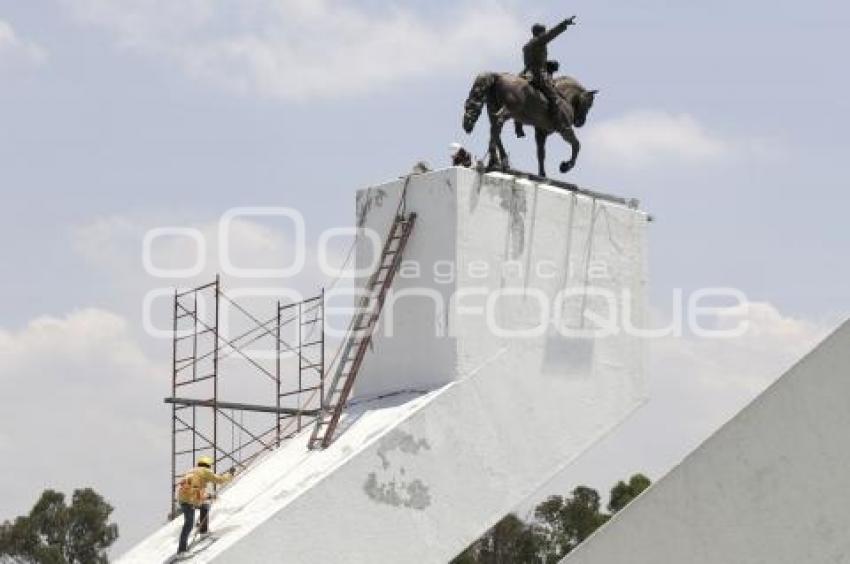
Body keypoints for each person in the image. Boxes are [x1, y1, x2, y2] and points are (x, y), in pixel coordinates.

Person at [518, 17, 576, 133]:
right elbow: (552, 34)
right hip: (537, 74)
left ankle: (518, 126)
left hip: (524, 73)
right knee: (554, 98)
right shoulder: (539, 41)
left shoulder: (526, 46)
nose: (545, 33)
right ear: (540, 33)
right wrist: (564, 24)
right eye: (544, 31)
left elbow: (534, 60)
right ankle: (557, 122)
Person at [176, 456, 233, 554]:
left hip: (183, 498)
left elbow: (195, 488)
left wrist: (208, 496)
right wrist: (230, 474)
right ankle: (181, 551)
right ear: (208, 465)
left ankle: (203, 531)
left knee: (205, 506)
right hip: (190, 500)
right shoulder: (205, 471)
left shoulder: (192, 471)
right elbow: (219, 480)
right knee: (189, 524)